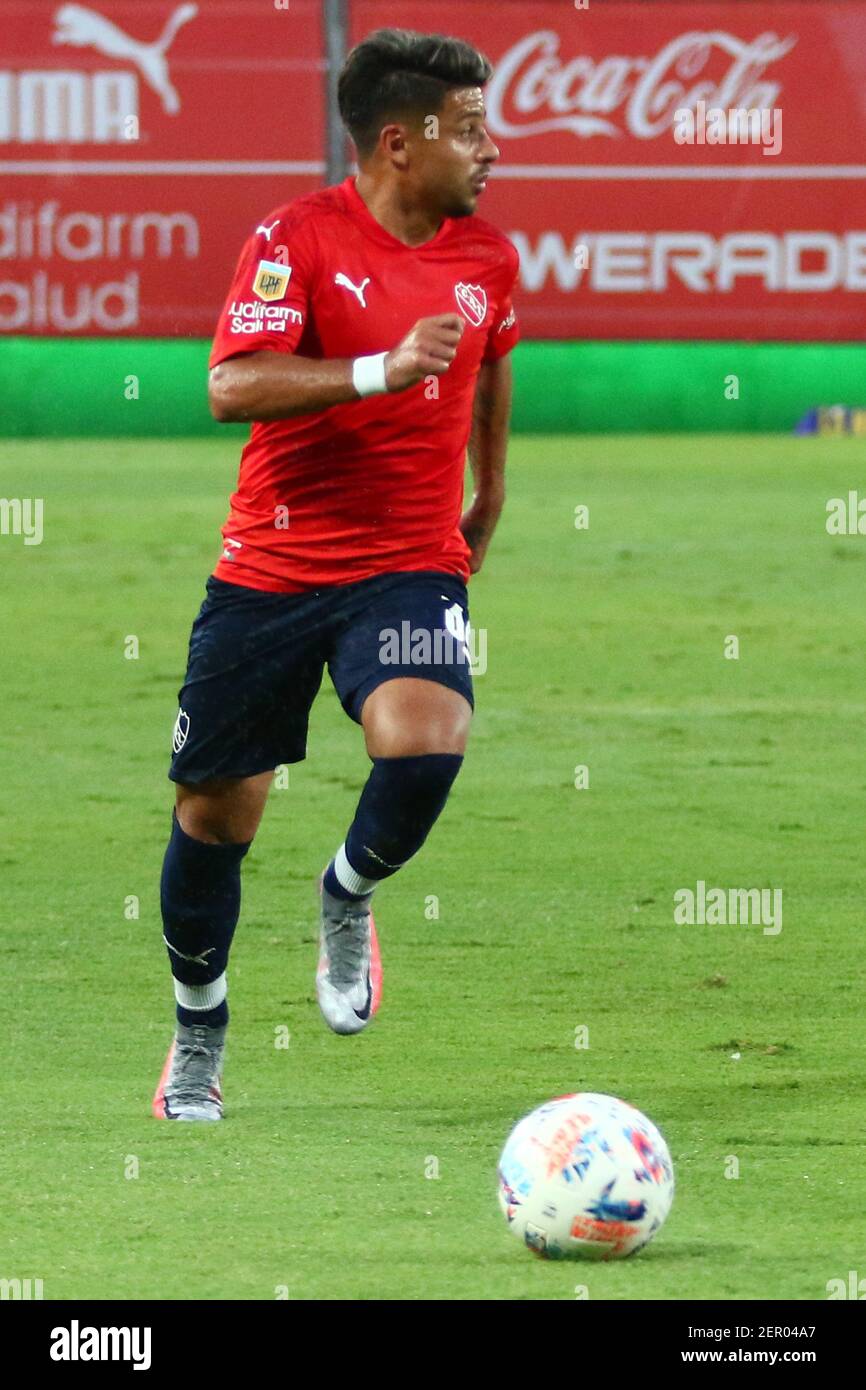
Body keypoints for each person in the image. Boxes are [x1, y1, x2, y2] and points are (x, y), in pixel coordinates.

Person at [153, 27, 520, 1120]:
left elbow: (491, 370)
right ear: (398, 144)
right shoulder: (295, 238)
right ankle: (198, 1031)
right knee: (216, 817)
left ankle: (345, 893)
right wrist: (377, 368)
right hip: (270, 566)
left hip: (405, 563)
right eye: (469, 132)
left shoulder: (488, 260)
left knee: (428, 738)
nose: (489, 151)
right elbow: (230, 385)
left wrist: (486, 505)